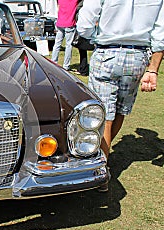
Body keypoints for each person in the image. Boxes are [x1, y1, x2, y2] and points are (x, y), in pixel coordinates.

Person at [77, 0, 164, 191]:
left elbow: (84, 23)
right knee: (119, 111)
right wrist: (153, 69)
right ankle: (102, 160)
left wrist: (94, 37)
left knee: (103, 115)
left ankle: (100, 169)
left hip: (108, 51)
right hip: (138, 56)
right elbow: (160, 32)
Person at [51, 0, 78, 71]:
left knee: (57, 44)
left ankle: (53, 62)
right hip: (69, 24)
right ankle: (66, 65)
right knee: (68, 45)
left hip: (60, 23)